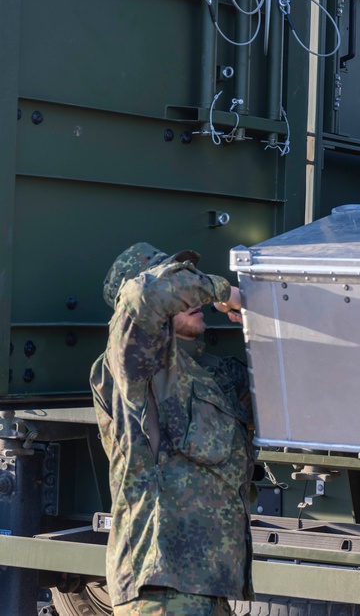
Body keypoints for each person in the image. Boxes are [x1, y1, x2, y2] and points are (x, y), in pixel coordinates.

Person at [91, 242, 255, 615]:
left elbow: (287, 394)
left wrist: (260, 326)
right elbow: (143, 295)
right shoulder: (131, 367)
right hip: (159, 586)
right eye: (181, 282)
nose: (190, 292)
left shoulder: (217, 374)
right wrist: (226, 291)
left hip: (209, 586)